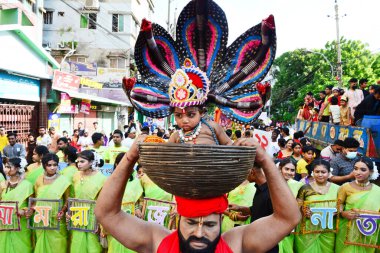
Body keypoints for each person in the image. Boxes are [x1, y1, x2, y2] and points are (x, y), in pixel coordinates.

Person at [95, 136, 301, 253]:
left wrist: (265, 160)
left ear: (221, 219)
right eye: (191, 223)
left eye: (210, 225)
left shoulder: (236, 244)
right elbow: (107, 214)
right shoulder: (159, 242)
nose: (200, 233)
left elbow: (288, 218)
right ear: (178, 218)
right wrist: (130, 157)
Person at [335, 157, 380, 253]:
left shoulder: (377, 190)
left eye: (363, 170)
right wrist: (343, 213)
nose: (357, 172)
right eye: (355, 168)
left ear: (371, 172)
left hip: (368, 231)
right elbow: (339, 205)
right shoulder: (345, 187)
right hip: (347, 230)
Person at [295, 159, 340, 253]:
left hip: (328, 230)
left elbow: (342, 205)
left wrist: (338, 210)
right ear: (312, 173)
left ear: (329, 173)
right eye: (317, 172)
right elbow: (297, 207)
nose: (320, 175)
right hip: (307, 230)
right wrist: (303, 210)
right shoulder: (305, 188)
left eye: (323, 172)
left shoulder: (337, 189)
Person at [32, 153, 71, 253]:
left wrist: (62, 211)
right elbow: (36, 198)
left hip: (56, 219)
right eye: (49, 165)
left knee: (58, 246)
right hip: (41, 219)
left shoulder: (63, 180)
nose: (52, 168)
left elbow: (67, 199)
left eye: (55, 165)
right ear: (44, 165)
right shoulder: (39, 180)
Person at [70, 150, 107, 253]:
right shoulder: (76, 176)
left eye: (82, 161)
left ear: (91, 162)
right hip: (77, 216)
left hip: (93, 216)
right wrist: (70, 213)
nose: (79, 164)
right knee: (77, 245)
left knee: (93, 246)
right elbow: (72, 196)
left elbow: (103, 203)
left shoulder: (102, 179)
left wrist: (100, 223)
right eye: (78, 161)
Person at [107, 152, 143, 253]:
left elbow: (139, 201)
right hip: (114, 222)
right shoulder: (109, 182)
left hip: (132, 222)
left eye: (130, 164)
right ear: (116, 165)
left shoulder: (136, 182)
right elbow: (104, 206)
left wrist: (138, 209)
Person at [0, 157, 34, 253]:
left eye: (9, 167)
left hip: (21, 223)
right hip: (5, 223)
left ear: (18, 168)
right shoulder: (2, 184)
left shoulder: (27, 185)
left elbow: (32, 205)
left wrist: (24, 211)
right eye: (5, 166)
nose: (6, 169)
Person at [168, 106, 233, 145]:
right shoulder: (175, 136)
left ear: (201, 113)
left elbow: (228, 143)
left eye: (191, 115)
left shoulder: (212, 127)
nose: (185, 120)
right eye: (179, 115)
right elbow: (167, 154)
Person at [277, 158, 303, 253]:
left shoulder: (299, 185)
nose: (289, 172)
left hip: (290, 224)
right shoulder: (272, 183)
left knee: (288, 248)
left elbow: (300, 205)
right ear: (280, 169)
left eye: (292, 170)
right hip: (274, 222)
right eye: (286, 169)